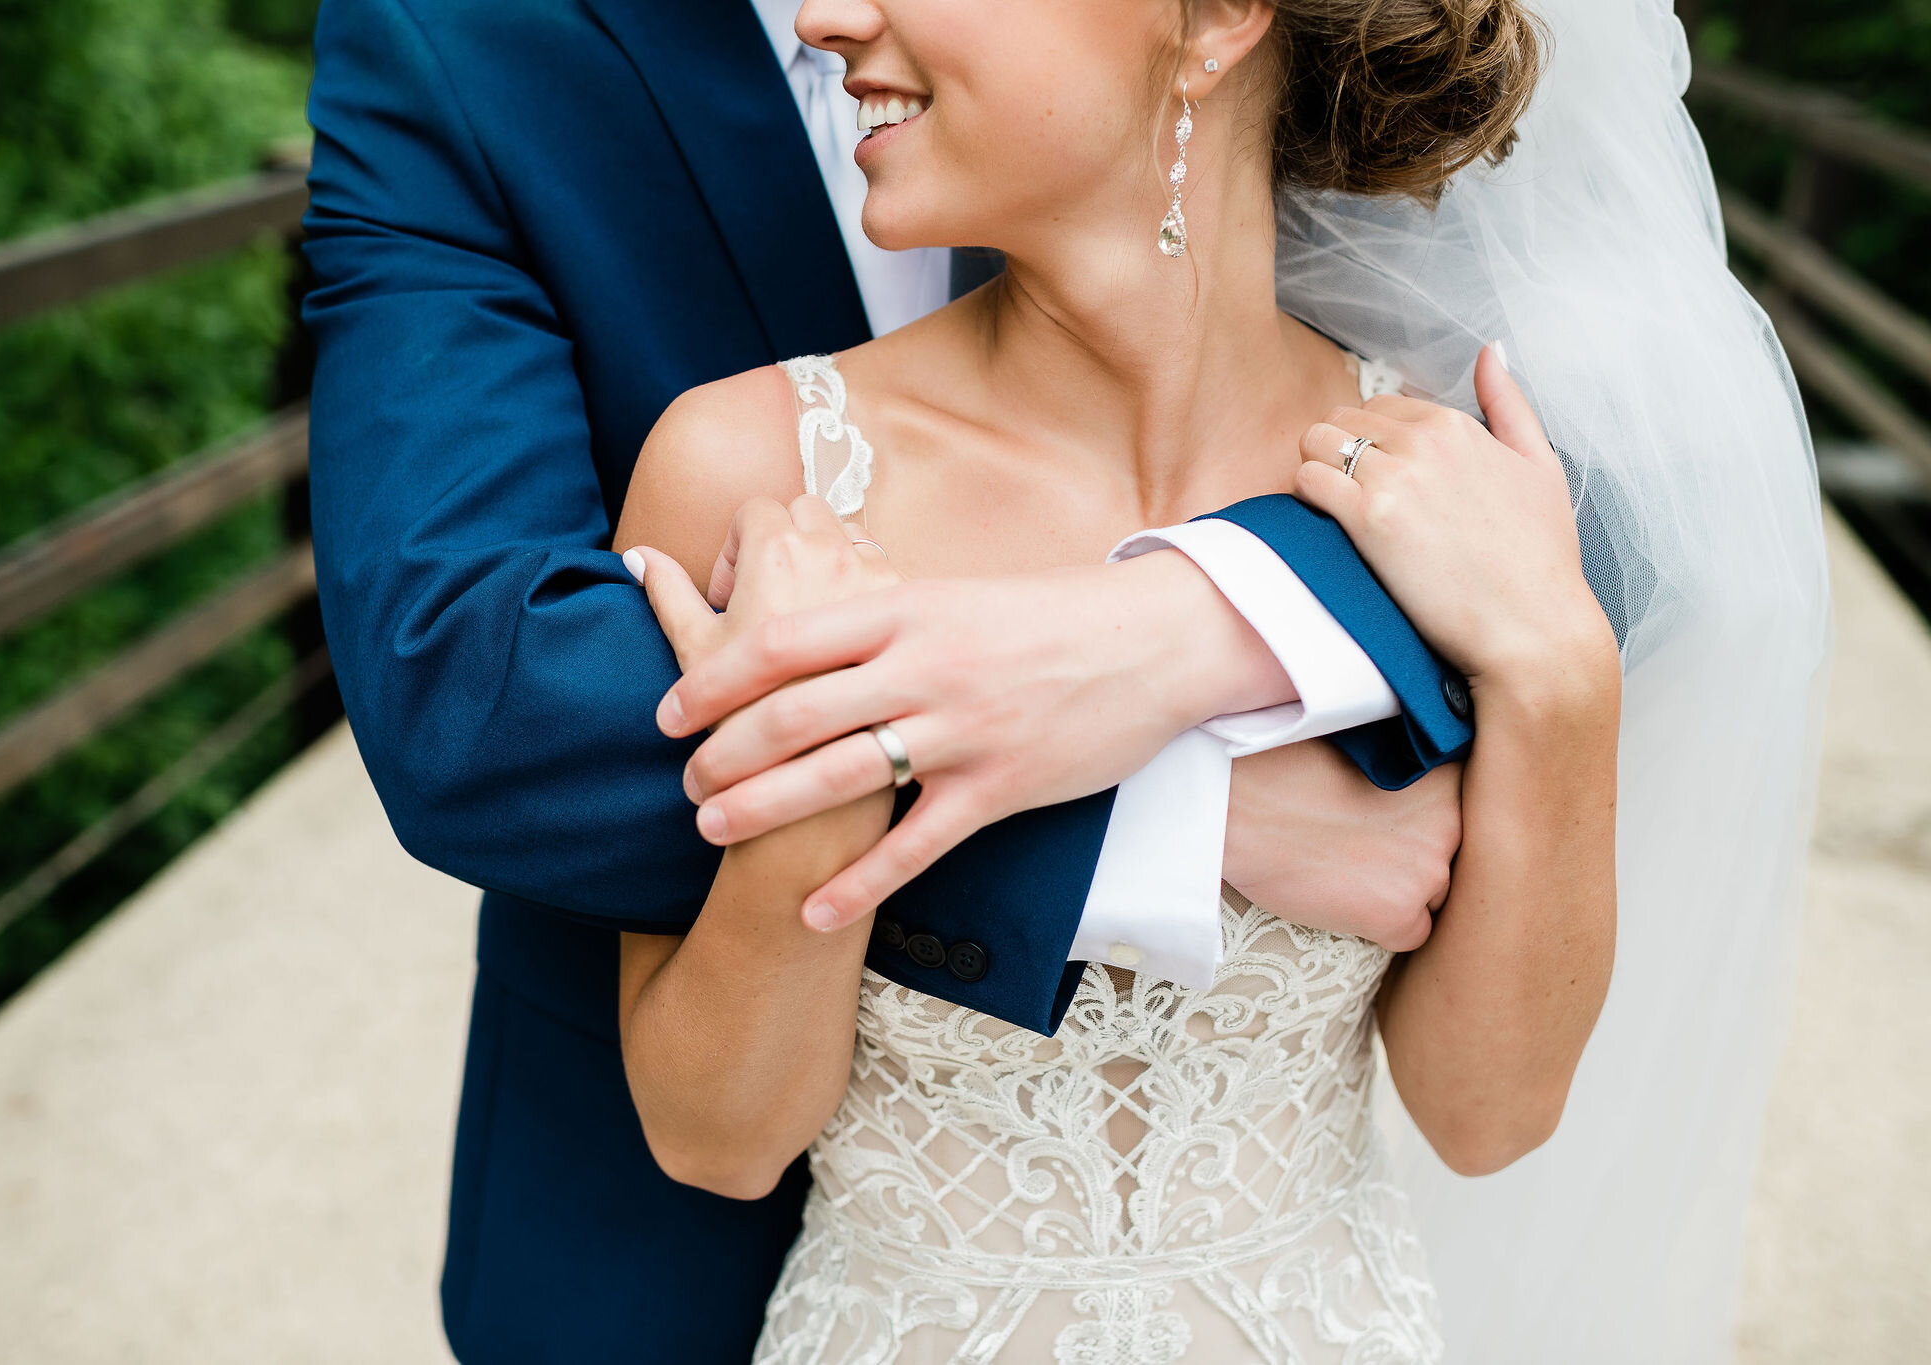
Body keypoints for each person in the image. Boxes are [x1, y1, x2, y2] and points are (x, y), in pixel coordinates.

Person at [620, 1, 1831, 1361]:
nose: (833, 18)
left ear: (1213, 23)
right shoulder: (751, 475)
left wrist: (1556, 667)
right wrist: (835, 763)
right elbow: (714, 1135)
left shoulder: (1440, 500)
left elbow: (1486, 1111)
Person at [300, 0, 1473, 1362]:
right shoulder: (455, 44)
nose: (833, 20)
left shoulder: (1396, 425)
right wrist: (1183, 800)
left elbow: (1641, 493)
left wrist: (1205, 624)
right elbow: (466, 689)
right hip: (696, 1239)